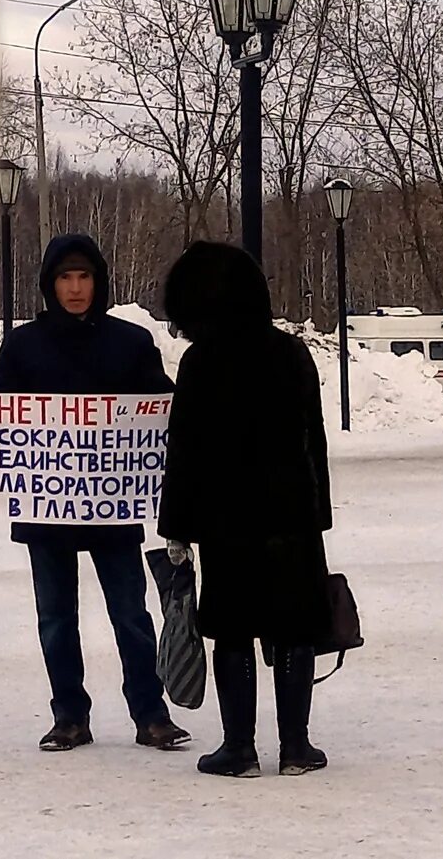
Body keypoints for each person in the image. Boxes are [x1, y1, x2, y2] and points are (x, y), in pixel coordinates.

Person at [0, 233, 191, 753]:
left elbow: (160, 407)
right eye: (65, 278)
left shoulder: (130, 342)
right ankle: (69, 715)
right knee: (55, 619)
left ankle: (150, 713)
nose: (75, 288)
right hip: (48, 505)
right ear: (50, 284)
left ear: (99, 281)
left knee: (132, 616)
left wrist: (167, 410)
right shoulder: (23, 344)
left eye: (84, 276)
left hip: (112, 504)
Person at [157, 240, 332, 778]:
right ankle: (297, 747)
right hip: (291, 518)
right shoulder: (291, 353)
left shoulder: (200, 362)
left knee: (232, 631)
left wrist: (177, 528)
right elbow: (313, 439)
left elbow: (183, 450)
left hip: (227, 521)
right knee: (294, 629)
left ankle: (240, 748)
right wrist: (317, 510)